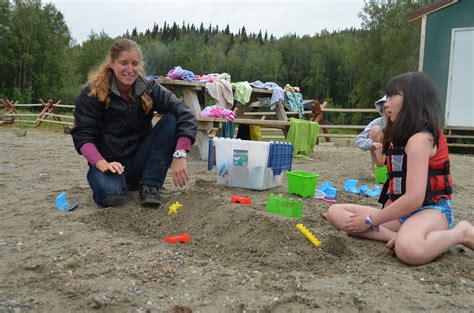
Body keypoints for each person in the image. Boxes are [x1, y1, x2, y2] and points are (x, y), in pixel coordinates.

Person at [323, 72, 474, 265]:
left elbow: (414, 199)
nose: (386, 103)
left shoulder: (421, 139)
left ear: (413, 100)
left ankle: (461, 232)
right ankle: (394, 236)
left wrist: (370, 220)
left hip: (431, 210)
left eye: (392, 96)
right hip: (403, 213)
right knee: (335, 212)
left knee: (409, 250)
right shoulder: (399, 136)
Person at [71, 38, 197, 207]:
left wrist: (180, 152)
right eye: (124, 63)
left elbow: (185, 112)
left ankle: (150, 186)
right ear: (112, 63)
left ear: (140, 65)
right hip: (109, 164)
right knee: (111, 197)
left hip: (140, 160)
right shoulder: (91, 93)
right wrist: (102, 163)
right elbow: (83, 136)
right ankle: (118, 184)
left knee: (172, 119)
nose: (129, 70)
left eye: (135, 64)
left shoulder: (149, 88)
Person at [355, 95, 388, 177]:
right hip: (380, 151)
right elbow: (359, 140)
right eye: (386, 107)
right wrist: (372, 143)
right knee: (375, 129)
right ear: (382, 109)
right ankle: (377, 168)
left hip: (396, 155)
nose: (389, 110)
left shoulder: (403, 122)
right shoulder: (377, 122)